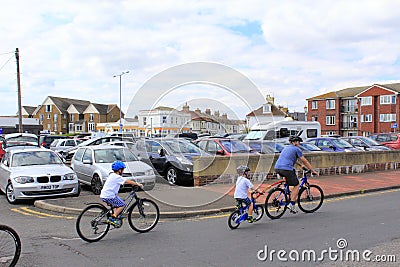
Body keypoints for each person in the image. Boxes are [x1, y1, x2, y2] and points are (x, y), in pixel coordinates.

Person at [274, 136, 318, 213]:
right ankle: (292, 204)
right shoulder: (297, 149)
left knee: (288, 180)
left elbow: (291, 159)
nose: (299, 143)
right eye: (298, 142)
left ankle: (285, 193)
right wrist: (313, 170)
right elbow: (305, 161)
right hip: (286, 169)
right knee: (296, 185)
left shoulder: (286, 148)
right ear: (295, 142)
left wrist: (300, 165)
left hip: (277, 168)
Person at [100, 160, 143, 227]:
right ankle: (113, 218)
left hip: (105, 195)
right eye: (123, 170)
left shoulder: (112, 175)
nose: (123, 171)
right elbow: (127, 181)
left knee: (120, 201)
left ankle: (116, 217)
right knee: (122, 205)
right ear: (119, 170)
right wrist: (137, 184)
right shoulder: (117, 177)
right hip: (109, 196)